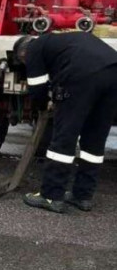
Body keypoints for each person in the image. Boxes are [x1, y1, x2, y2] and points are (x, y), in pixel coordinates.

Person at [14, 32, 117, 213]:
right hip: (113, 74)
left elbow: (37, 88)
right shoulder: (62, 42)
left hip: (81, 75)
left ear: (23, 54)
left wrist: (44, 106)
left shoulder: (34, 48)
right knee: (94, 139)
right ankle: (82, 196)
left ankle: (51, 196)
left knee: (64, 137)